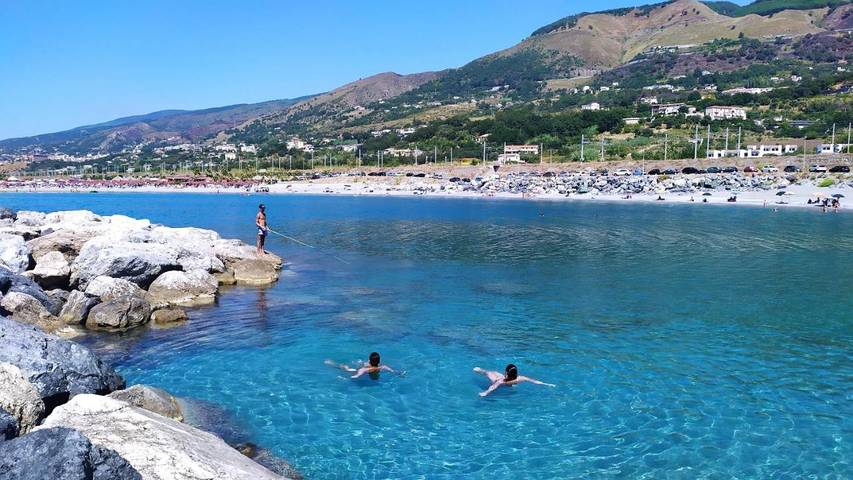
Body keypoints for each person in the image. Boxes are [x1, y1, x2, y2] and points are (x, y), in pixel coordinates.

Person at [473, 364, 555, 397]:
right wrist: (486, 392)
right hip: (496, 379)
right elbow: (493, 386)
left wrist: (547, 384)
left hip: (501, 379)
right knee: (488, 373)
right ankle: (480, 370)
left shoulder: (508, 380)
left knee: (491, 373)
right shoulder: (519, 378)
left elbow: (535, 381)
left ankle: (481, 370)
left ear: (506, 373)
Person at [325, 352, 396, 379]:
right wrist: (399, 374)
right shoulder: (383, 367)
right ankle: (331, 363)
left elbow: (358, 375)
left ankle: (330, 363)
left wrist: (354, 376)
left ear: (369, 360)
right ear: (379, 361)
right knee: (346, 368)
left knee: (347, 368)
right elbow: (392, 371)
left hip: (360, 370)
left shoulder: (365, 369)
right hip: (358, 370)